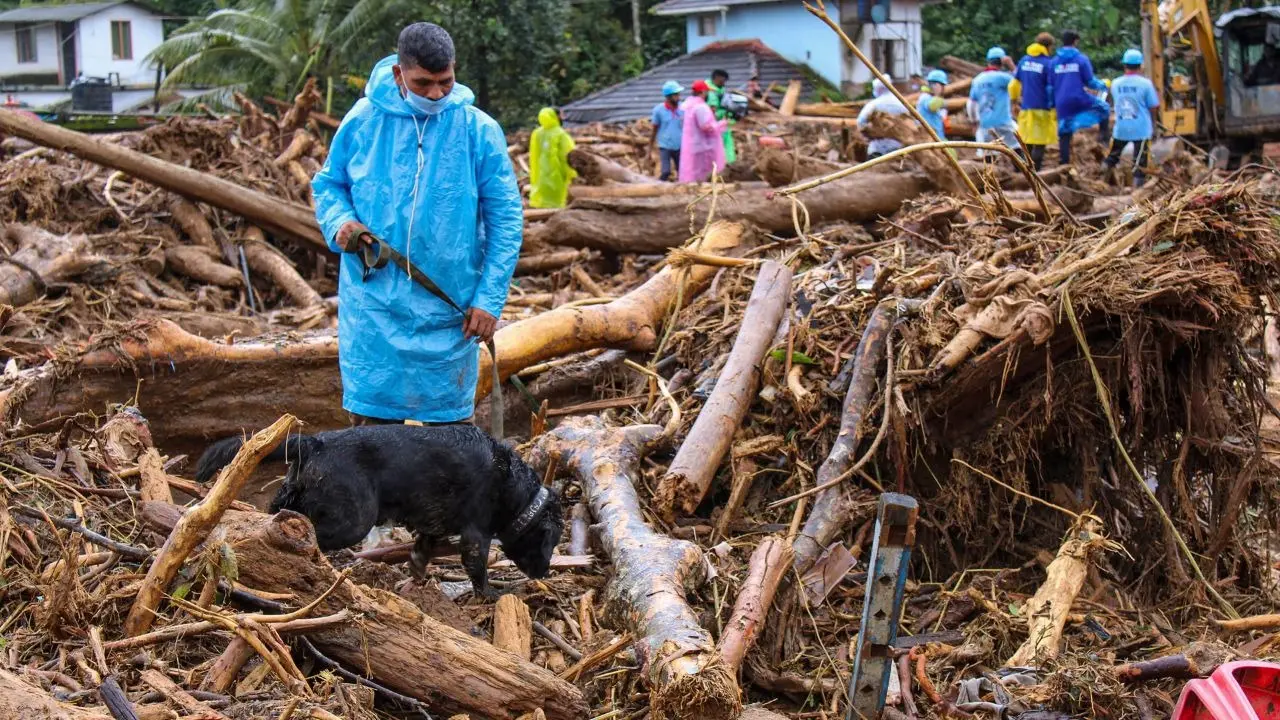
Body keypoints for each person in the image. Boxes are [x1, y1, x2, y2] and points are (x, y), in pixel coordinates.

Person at [312, 22, 523, 426]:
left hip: (451, 308)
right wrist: (339, 220)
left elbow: (506, 219)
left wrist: (489, 298)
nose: (436, 93)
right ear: (398, 74)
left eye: (445, 81)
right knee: (372, 442)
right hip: (373, 306)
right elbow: (329, 184)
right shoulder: (363, 121)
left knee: (451, 446)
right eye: (423, 82)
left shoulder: (479, 130)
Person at [1052, 29, 1110, 165]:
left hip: (1061, 101)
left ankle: (1064, 163)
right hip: (1079, 98)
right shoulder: (1081, 59)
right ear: (1075, 41)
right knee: (1104, 108)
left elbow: (1050, 85)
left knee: (1064, 131)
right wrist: (1103, 85)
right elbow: (1090, 82)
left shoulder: (1054, 61)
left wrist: (1051, 103)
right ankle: (1103, 140)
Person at [1103, 49, 1160, 187]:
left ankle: (1100, 182)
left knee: (1111, 158)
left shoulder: (1116, 83)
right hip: (1141, 130)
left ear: (1124, 65)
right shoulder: (1145, 84)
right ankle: (1136, 192)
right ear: (1140, 66)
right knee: (1140, 164)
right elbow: (1154, 106)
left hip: (1121, 128)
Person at [1012, 32, 1057, 171]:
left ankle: (1020, 171)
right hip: (1042, 108)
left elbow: (1014, 84)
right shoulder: (1048, 64)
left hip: (1026, 108)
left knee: (1026, 141)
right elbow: (1050, 88)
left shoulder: (1024, 60)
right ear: (1048, 46)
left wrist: (1014, 100)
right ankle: (1035, 173)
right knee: (1040, 142)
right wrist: (1053, 106)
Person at [968, 47, 1019, 163]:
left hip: (985, 125)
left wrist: (974, 121)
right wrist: (1011, 65)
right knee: (1018, 147)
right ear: (1002, 61)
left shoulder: (977, 80)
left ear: (988, 61)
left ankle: (990, 179)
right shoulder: (1004, 78)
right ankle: (1022, 175)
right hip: (1003, 122)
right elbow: (1019, 80)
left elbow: (971, 104)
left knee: (988, 154)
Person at [679, 79, 728, 183]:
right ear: (702, 92)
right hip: (703, 146)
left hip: (693, 144)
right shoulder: (700, 107)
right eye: (707, 92)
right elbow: (706, 126)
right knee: (703, 172)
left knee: (693, 170)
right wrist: (721, 124)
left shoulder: (687, 105)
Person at [529, 107, 576, 208]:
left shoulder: (537, 133)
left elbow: (533, 156)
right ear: (556, 116)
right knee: (557, 203)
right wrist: (572, 174)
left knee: (543, 203)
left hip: (540, 176)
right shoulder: (561, 134)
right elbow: (569, 156)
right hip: (557, 175)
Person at [857, 78, 908, 159]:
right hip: (898, 148)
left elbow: (860, 122)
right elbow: (911, 123)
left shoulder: (874, 104)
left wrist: (868, 134)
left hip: (877, 149)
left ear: (879, 89)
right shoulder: (902, 104)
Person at [649, 80, 684, 182]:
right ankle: (659, 186)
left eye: (678, 94)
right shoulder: (659, 110)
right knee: (666, 171)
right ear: (668, 96)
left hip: (679, 144)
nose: (678, 97)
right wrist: (650, 148)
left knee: (681, 170)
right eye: (676, 95)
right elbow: (655, 128)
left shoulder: (683, 109)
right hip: (665, 145)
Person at [706, 69, 737, 164]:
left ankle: (729, 164)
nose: (723, 83)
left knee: (727, 145)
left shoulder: (720, 90)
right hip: (712, 126)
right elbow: (711, 112)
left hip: (722, 125)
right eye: (722, 81)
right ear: (716, 78)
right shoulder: (709, 92)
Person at [917, 69, 949, 139]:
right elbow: (932, 106)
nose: (943, 88)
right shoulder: (925, 97)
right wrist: (938, 96)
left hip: (937, 137)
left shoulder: (931, 97)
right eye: (942, 85)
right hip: (928, 139)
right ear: (936, 85)